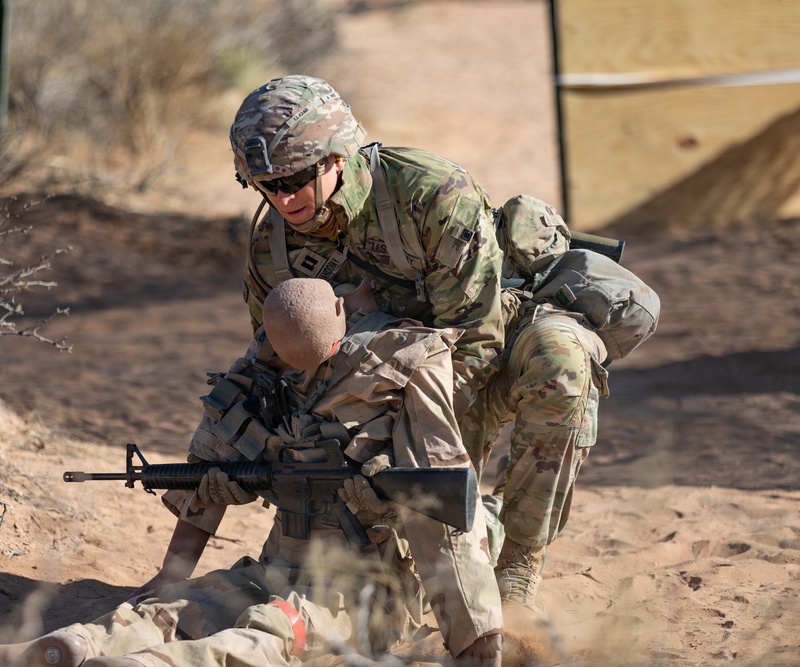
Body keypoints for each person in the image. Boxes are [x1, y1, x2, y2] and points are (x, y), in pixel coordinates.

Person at [0, 277, 503, 667]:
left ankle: (81, 644)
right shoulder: (393, 364)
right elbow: (447, 536)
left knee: (189, 605)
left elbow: (440, 505)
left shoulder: (269, 372)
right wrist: (475, 638)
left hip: (291, 572)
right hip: (349, 591)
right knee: (272, 628)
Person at [231, 75, 611, 630]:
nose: (282, 198)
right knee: (396, 590)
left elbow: (476, 339)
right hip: (380, 392)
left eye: (293, 178)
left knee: (562, 361)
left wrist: (418, 443)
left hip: (482, 355)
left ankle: (520, 567)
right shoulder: (273, 246)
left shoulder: (431, 193)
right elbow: (283, 363)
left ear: (339, 156)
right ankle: (478, 527)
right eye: (262, 183)